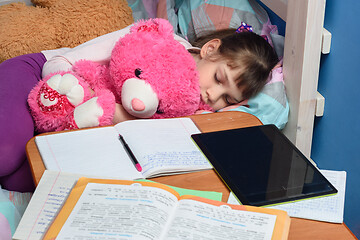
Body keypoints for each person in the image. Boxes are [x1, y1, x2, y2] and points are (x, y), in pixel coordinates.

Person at [0, 20, 278, 192]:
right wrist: (85, 97)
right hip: (40, 77)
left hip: (75, 122)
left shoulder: (196, 109)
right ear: (209, 50)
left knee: (24, 180)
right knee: (6, 152)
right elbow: (59, 64)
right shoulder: (155, 41)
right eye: (218, 79)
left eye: (227, 99)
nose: (212, 96)